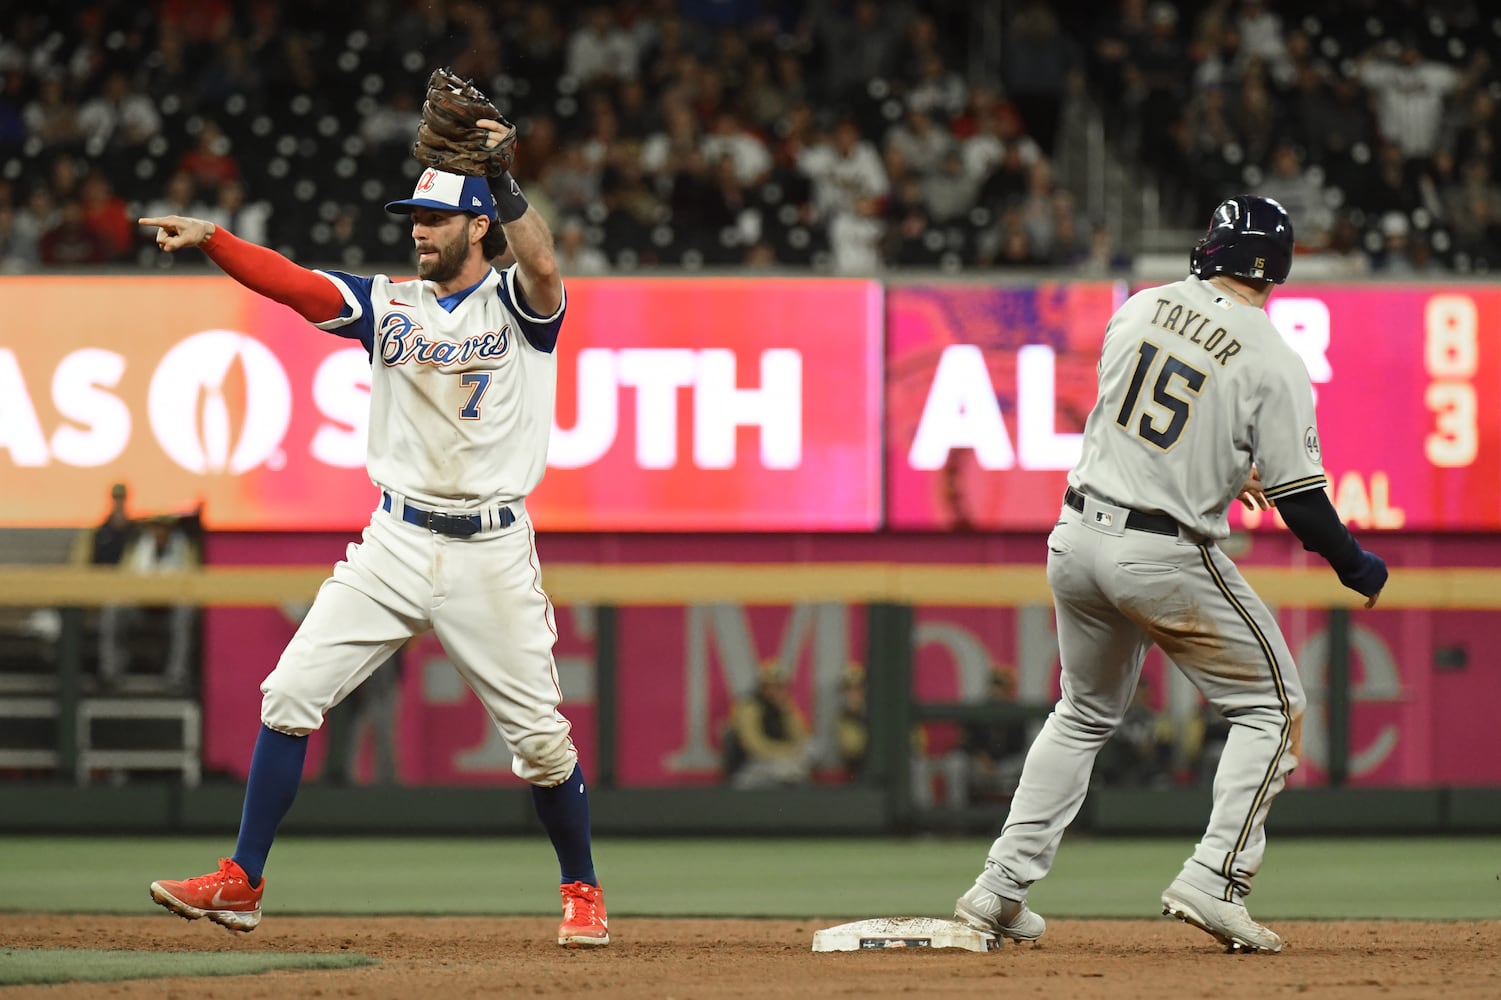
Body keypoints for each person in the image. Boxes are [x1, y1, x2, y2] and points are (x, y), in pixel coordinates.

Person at [138, 109, 608, 947]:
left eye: (432, 218)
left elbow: (540, 259)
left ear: (475, 224)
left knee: (541, 743)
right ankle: (241, 881)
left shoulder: (519, 308)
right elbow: (297, 285)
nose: (417, 231)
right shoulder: (387, 303)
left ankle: (582, 888)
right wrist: (215, 238)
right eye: (413, 218)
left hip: (490, 550)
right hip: (393, 541)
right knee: (288, 695)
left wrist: (502, 179)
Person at [952, 195, 1387, 954]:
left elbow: (1145, 418)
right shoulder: (1270, 358)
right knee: (1272, 705)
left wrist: (1219, 467)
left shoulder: (1141, 306)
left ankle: (997, 888)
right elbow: (1305, 505)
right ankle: (1216, 876)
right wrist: (1356, 564)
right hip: (1159, 553)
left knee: (1081, 715)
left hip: (1076, 537)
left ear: (1214, 250)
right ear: (1274, 266)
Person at [720, 661, 814, 789]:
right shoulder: (749, 706)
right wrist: (787, 752)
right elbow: (754, 745)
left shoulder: (783, 708)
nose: (779, 691)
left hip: (776, 763)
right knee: (788, 770)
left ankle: (788, 779)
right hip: (748, 769)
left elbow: (801, 738)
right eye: (774, 686)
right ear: (763, 687)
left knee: (812, 748)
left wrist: (787, 712)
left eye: (782, 687)